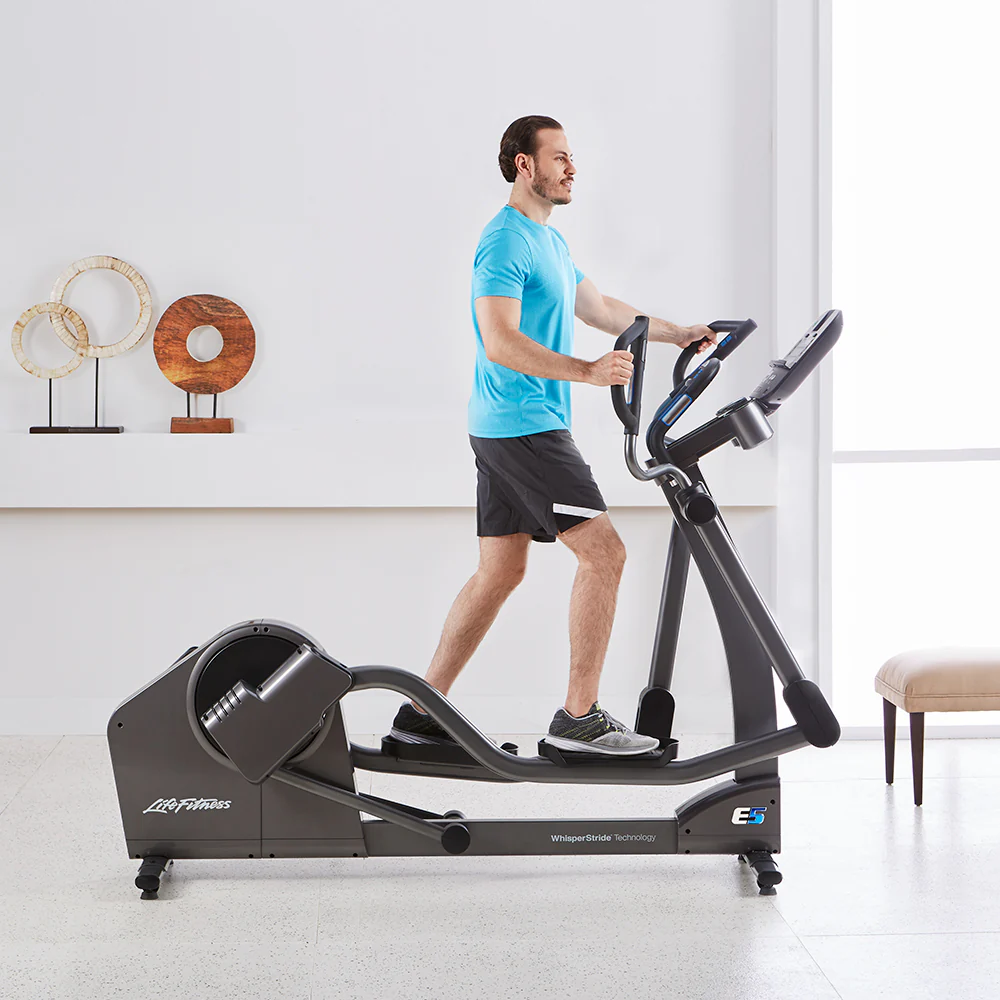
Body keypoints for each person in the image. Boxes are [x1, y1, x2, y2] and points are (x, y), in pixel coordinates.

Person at [390, 115, 717, 755]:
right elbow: (498, 340)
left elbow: (602, 310)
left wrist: (680, 333)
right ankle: (579, 718)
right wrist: (587, 372)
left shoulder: (550, 243)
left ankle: (422, 711)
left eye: (572, 157)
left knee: (499, 571)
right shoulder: (504, 241)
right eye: (559, 157)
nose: (572, 168)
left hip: (505, 427)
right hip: (525, 425)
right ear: (524, 164)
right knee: (605, 555)